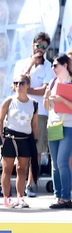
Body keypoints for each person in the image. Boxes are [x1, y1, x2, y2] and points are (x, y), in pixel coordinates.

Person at [14, 32, 53, 197]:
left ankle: (31, 184)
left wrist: (23, 88)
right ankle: (18, 186)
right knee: (19, 150)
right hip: (21, 111)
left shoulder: (49, 66)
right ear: (33, 45)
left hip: (40, 112)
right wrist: (30, 65)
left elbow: (44, 89)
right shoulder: (22, 63)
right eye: (39, 46)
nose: (41, 50)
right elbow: (14, 84)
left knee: (36, 150)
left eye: (44, 47)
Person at [0, 74, 38, 208]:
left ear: (28, 85)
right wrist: (2, 139)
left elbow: (35, 124)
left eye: (22, 83)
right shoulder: (9, 101)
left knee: (21, 169)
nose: (19, 86)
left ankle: (20, 197)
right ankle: (6, 198)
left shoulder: (33, 104)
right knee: (7, 169)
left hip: (25, 139)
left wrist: (35, 141)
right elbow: (1, 120)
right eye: (16, 83)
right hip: (10, 138)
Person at [44, 54, 72, 209]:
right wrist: (47, 97)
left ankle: (66, 197)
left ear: (65, 66)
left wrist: (63, 101)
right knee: (55, 163)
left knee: (62, 161)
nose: (53, 69)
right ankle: (58, 196)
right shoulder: (53, 82)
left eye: (55, 66)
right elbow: (47, 106)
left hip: (68, 126)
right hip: (53, 125)